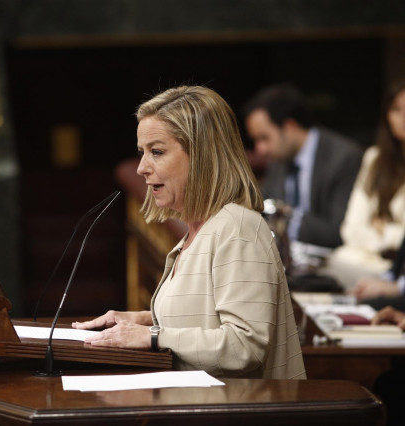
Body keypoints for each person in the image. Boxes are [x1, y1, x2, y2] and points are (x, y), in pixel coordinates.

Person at [73, 86, 306, 379]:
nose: (142, 168)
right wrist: (141, 322)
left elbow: (244, 346)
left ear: (202, 156)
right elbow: (208, 317)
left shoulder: (237, 228)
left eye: (156, 152)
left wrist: (153, 336)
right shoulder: (199, 230)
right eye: (142, 153)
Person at [243, 84, 363, 249]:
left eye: (264, 138)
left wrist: (285, 221)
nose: (259, 149)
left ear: (290, 127)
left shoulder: (343, 158)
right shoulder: (278, 159)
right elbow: (264, 207)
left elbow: (340, 230)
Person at [331, 79, 405, 290]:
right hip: (370, 259)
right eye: (396, 109)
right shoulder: (375, 158)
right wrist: (387, 237)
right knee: (339, 259)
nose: (402, 117)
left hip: (399, 266)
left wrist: (384, 230)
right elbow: (351, 228)